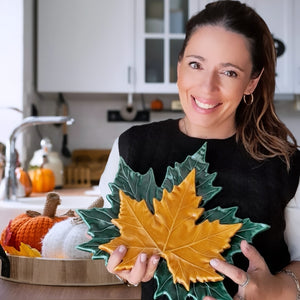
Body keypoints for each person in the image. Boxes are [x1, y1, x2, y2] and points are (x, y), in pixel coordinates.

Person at [98, 1, 300, 299]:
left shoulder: (285, 163)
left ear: (251, 82)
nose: (207, 87)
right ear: (179, 65)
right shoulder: (132, 147)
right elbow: (108, 240)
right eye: (196, 64)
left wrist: (280, 288)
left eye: (229, 72)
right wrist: (121, 266)